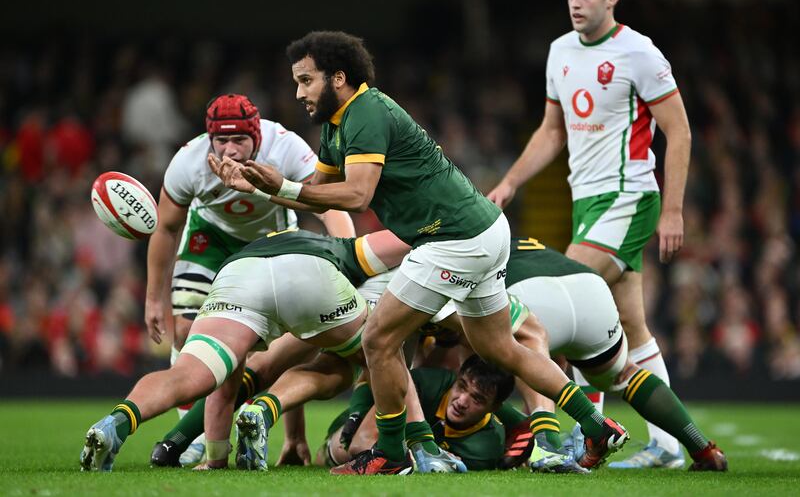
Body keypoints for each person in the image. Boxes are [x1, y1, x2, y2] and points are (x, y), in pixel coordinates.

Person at [209, 30, 629, 475]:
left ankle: (390, 455)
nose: (299, 93)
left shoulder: (366, 110)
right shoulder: (337, 128)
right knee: (500, 347)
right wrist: (261, 187)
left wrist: (285, 187)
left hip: (454, 238)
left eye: (306, 80)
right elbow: (318, 193)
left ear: (338, 77)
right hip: (481, 230)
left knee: (377, 339)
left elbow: (356, 196)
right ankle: (596, 424)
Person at [487, 0, 692, 468]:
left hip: (629, 197)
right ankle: (668, 447)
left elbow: (680, 131)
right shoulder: (561, 51)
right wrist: (512, 181)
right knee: (631, 326)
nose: (575, 2)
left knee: (569, 300)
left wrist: (673, 210)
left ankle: (588, 436)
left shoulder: (639, 53)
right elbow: (552, 131)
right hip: (586, 201)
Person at [78, 228, 405, 472]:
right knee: (369, 360)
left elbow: (225, 388)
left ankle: (116, 423)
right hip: (313, 277)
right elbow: (405, 241)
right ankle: (420, 446)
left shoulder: (273, 239)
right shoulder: (351, 246)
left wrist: (216, 461)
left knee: (191, 374)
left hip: (238, 273)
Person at [144, 93, 354, 462]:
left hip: (268, 239)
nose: (230, 151)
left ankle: (293, 437)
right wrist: (153, 298)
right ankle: (191, 437)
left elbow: (327, 204)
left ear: (257, 136)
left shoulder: (286, 147)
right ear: (209, 139)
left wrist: (348, 258)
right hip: (211, 238)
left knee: (282, 340)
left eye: (239, 140)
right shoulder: (188, 162)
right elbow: (166, 229)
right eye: (221, 141)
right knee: (184, 331)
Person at [422, 238, 727, 472]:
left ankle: (548, 445)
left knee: (522, 354)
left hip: (529, 294)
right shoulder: (515, 241)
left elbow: (461, 359)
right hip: (589, 288)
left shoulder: (462, 253)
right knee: (624, 374)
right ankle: (704, 450)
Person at [326, 355, 520, 471]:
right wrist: (357, 410)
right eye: (461, 386)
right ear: (456, 377)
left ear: (495, 408)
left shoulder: (485, 448)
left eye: (477, 399)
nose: (461, 401)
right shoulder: (429, 382)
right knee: (349, 449)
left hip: (393, 448)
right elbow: (380, 376)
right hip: (348, 431)